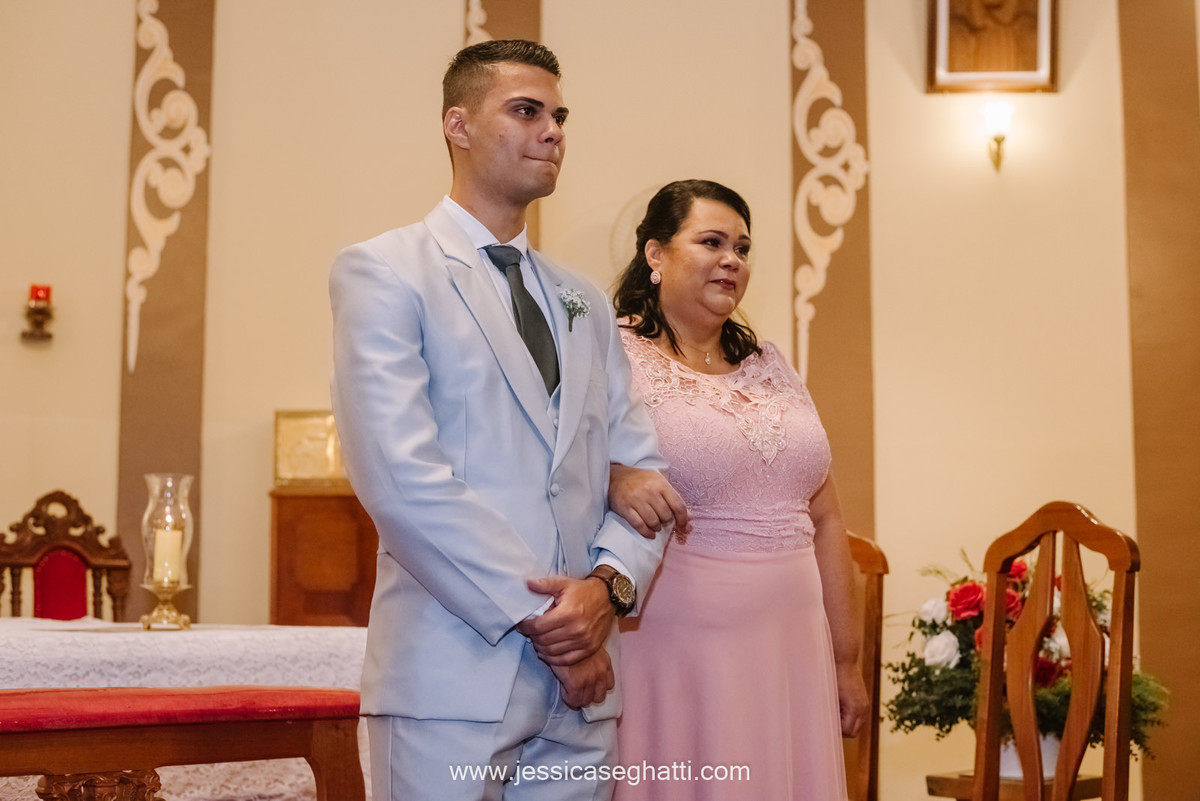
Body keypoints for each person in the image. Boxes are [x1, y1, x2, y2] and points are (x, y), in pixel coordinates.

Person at [329, 40, 686, 801]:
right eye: (526, 111)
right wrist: (553, 621)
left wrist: (607, 588)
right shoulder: (387, 272)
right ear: (458, 125)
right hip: (453, 673)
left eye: (559, 116)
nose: (552, 130)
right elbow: (402, 479)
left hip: (583, 691)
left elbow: (640, 471)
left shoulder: (583, 299)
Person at [608, 179, 869, 800]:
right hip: (679, 642)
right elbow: (566, 476)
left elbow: (826, 517)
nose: (733, 259)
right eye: (712, 241)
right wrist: (614, 477)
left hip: (793, 644)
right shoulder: (615, 356)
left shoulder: (771, 365)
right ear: (655, 254)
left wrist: (845, 659)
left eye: (743, 248)